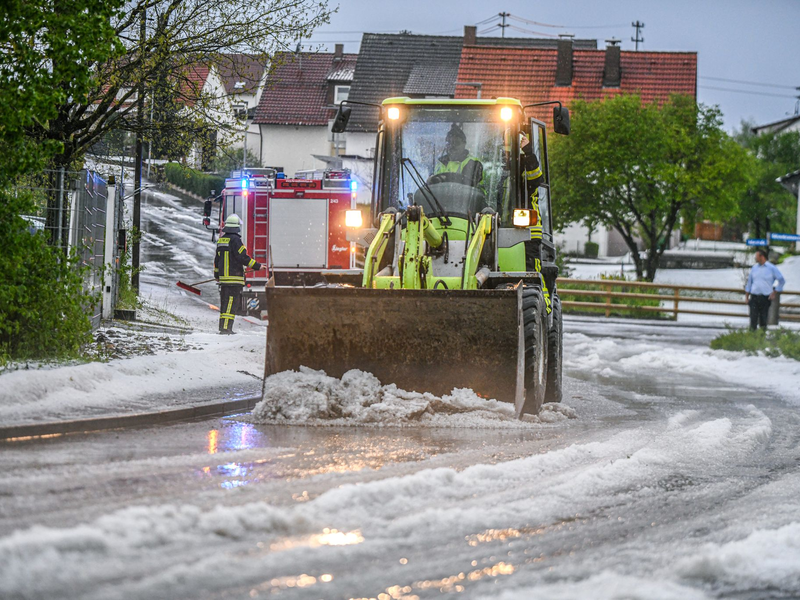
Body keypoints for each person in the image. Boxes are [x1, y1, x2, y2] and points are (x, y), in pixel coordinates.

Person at [214, 214, 261, 334]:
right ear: (236, 227)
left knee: (225, 305)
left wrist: (217, 276)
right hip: (234, 279)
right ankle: (226, 329)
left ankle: (223, 327)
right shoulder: (236, 240)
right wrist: (258, 266)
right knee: (231, 304)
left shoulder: (221, 240)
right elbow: (243, 257)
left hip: (224, 280)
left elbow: (217, 260)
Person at [433, 124, 484, 190]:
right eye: (449, 143)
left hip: (468, 200)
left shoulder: (473, 164)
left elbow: (468, 188)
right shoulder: (439, 165)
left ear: (464, 144)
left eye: (456, 143)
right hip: (437, 200)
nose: (452, 146)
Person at [745, 248, 785, 331]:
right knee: (753, 318)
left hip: (765, 297)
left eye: (756, 256)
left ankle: (761, 338)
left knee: (763, 319)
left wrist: (775, 291)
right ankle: (752, 338)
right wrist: (747, 296)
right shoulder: (754, 268)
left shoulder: (771, 268)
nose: (755, 258)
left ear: (762, 257)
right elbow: (749, 282)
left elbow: (781, 280)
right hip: (754, 296)